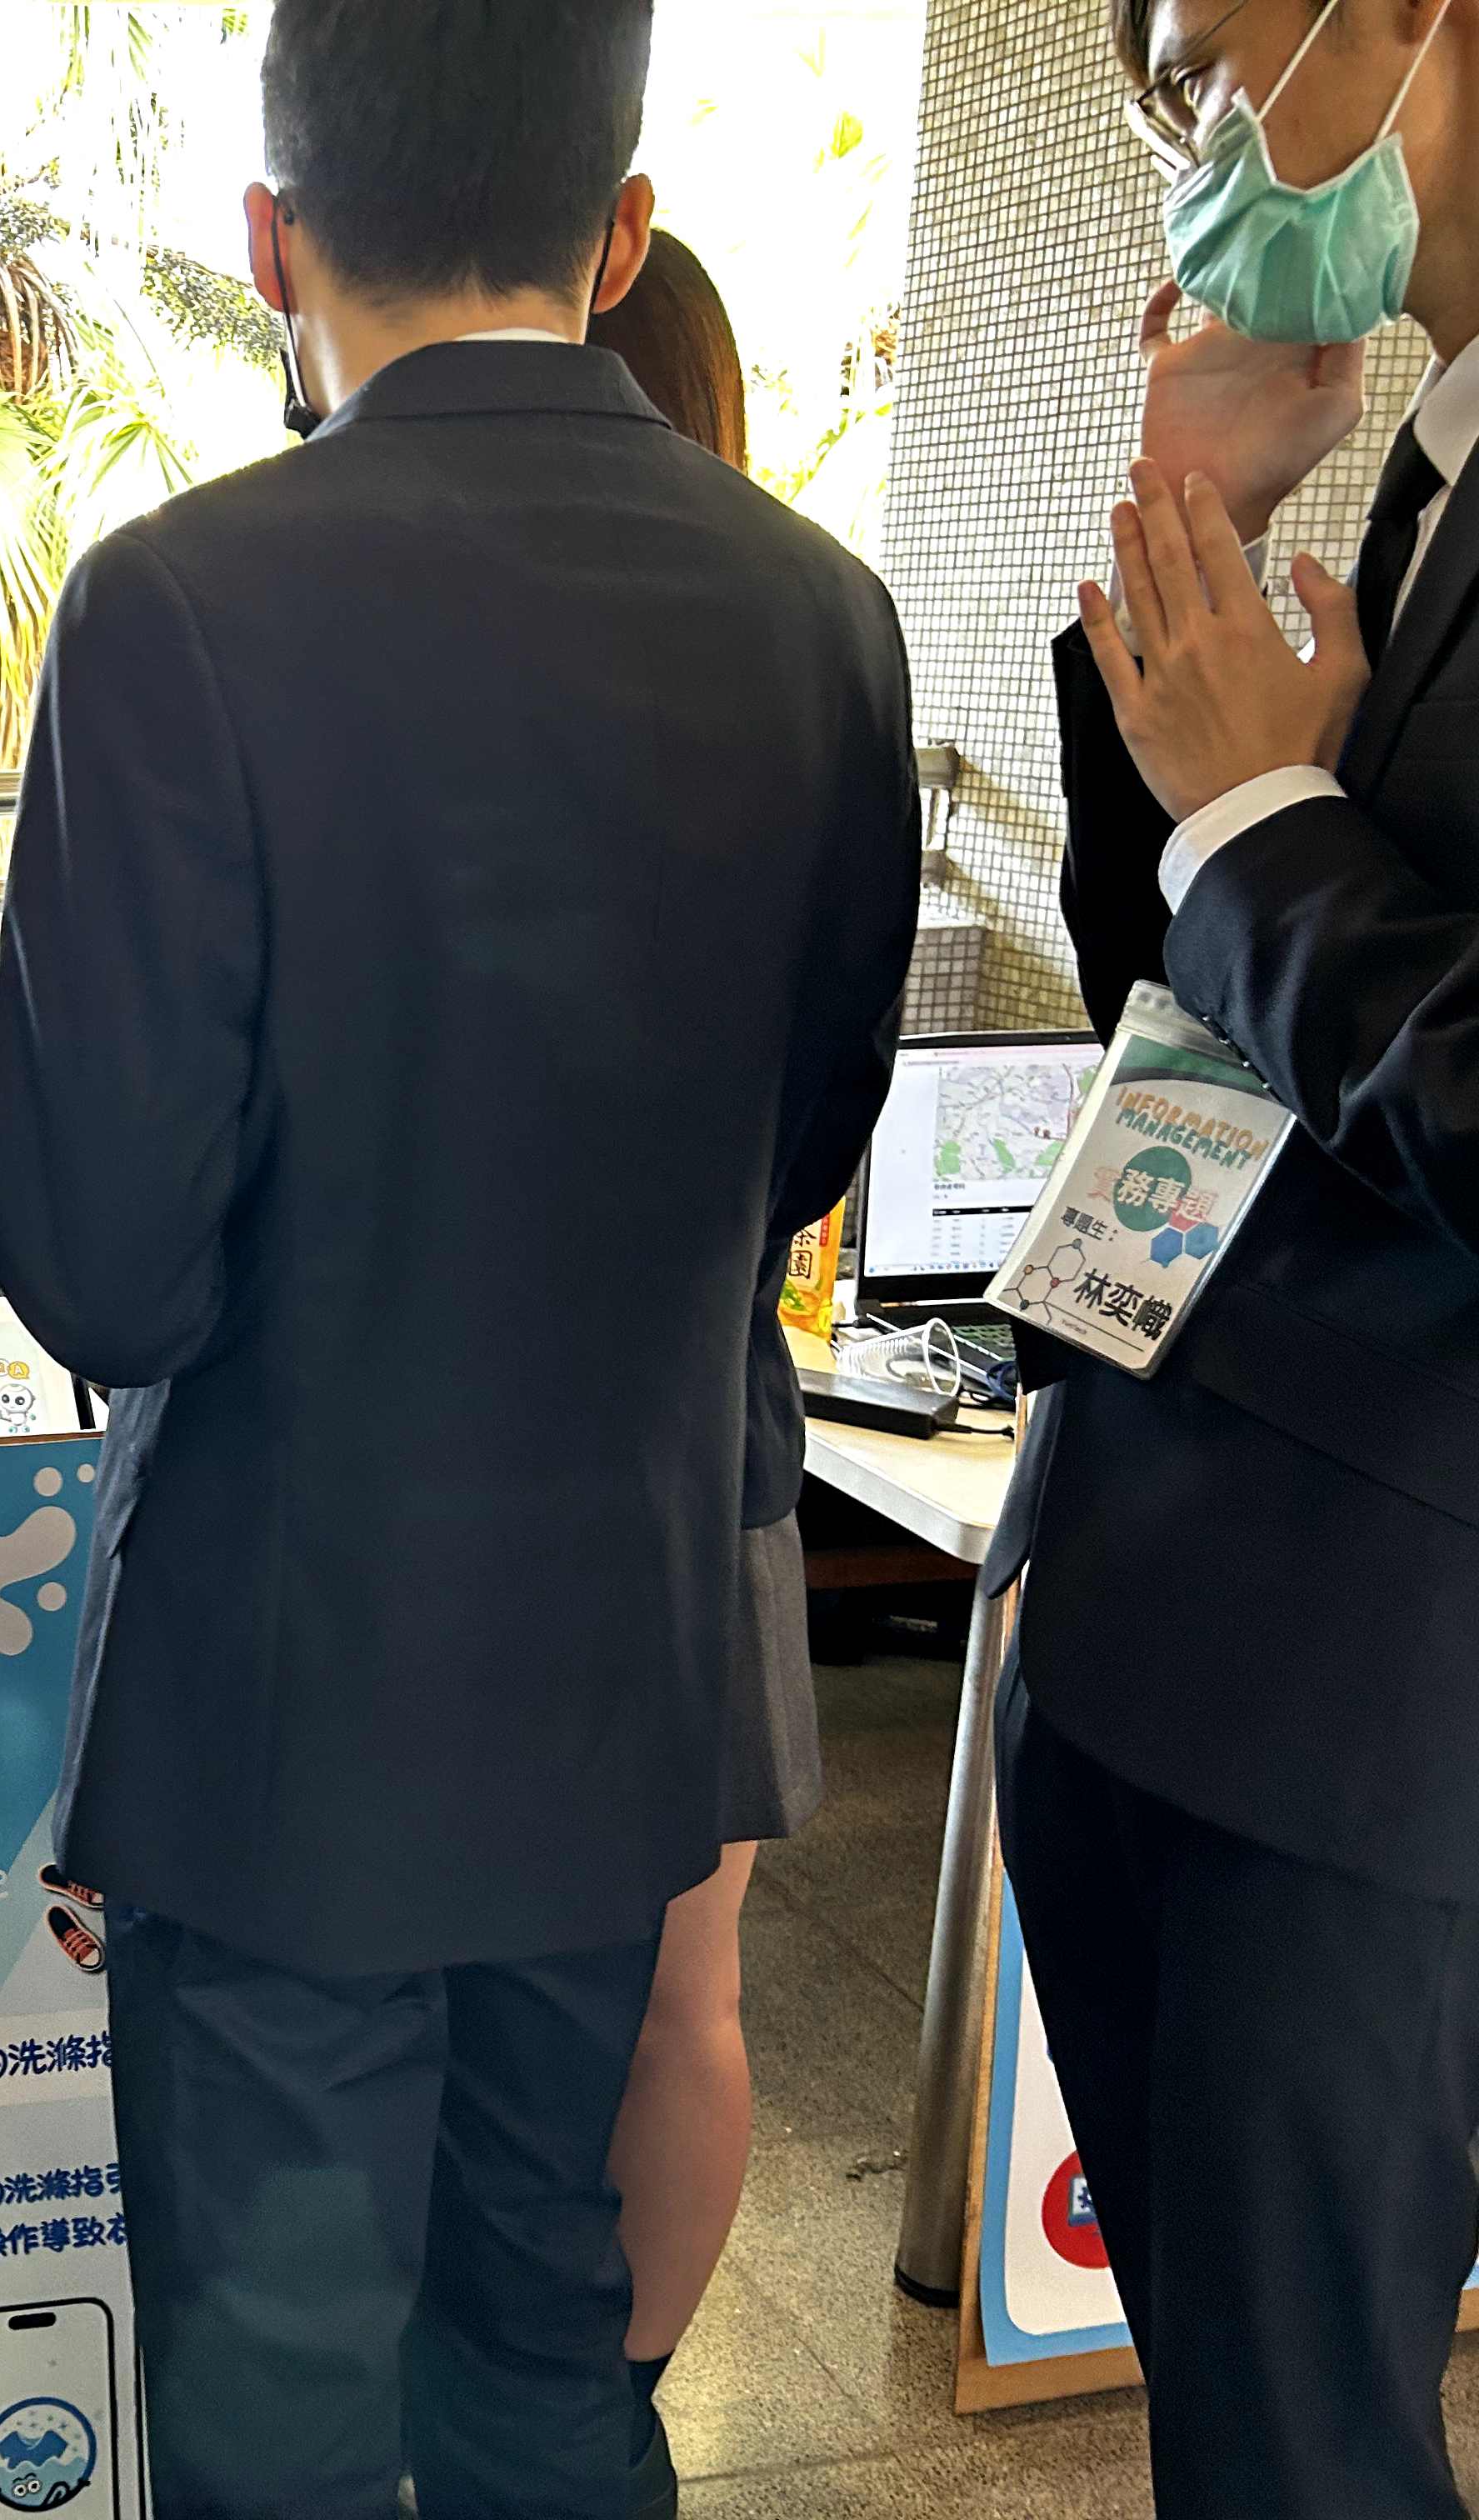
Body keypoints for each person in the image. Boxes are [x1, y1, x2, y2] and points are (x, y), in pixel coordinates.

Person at [0, 3, 919, 2512]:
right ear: (621, 230)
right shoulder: (819, 613)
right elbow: (802, 1156)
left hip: (285, 1723)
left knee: (281, 2410)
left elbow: (106, 1272)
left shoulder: (177, 605)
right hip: (618, 1686)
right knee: (541, 2352)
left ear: (271, 239)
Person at [992, 2, 1479, 2509]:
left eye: (1212, 68)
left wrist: (1277, 822)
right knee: (1234, 2421)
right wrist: (1183, 551)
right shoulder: (1428, 465)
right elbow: (1183, 993)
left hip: (1377, 1704)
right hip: (1166, 1600)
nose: (1197, 145)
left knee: (1304, 2451)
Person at [584, 226, 825, 2502]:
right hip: (705, 1417)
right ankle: (607, 2398)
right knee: (685, 1979)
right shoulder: (802, 644)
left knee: (661, 1984)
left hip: (642, 1424)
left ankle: (596, 2402)